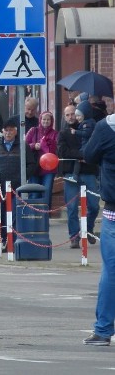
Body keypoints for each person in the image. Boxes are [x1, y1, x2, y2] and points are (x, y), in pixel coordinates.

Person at [81, 111, 115, 346]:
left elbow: (89, 155)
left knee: (111, 272)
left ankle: (103, 330)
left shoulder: (107, 127)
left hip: (114, 210)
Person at [0, 117, 37, 246]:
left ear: (16, 131)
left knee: (14, 216)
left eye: (11, 130)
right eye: (6, 130)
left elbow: (31, 165)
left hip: (16, 188)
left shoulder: (23, 146)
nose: (8, 133)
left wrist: (21, 178)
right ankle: (0, 240)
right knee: (0, 216)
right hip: (0, 188)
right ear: (2, 131)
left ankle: (12, 242)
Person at [58, 105, 101, 249]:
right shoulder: (63, 133)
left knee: (94, 206)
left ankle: (88, 228)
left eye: (73, 114)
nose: (71, 117)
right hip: (71, 172)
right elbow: (63, 152)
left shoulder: (87, 128)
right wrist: (82, 155)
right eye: (67, 115)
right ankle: (74, 237)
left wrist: (84, 154)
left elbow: (96, 146)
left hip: (89, 171)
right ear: (64, 117)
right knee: (71, 208)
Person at [25, 111, 58, 208]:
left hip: (49, 169)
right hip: (34, 167)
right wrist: (34, 145)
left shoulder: (55, 134)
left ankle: (45, 217)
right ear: (40, 120)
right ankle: (33, 215)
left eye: (48, 119)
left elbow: (57, 149)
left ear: (51, 121)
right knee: (34, 193)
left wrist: (48, 144)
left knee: (46, 192)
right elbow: (24, 146)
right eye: (44, 119)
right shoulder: (33, 130)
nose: (46, 121)